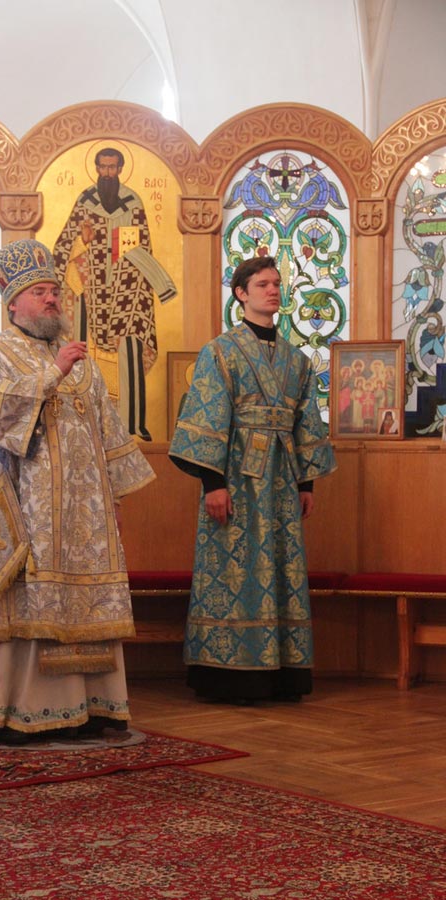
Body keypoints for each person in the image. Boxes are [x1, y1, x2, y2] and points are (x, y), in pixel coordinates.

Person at [0, 238, 155, 744]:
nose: (51, 299)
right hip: (25, 507)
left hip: (84, 516)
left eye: (54, 291)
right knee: (28, 600)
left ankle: (93, 709)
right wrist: (53, 372)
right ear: (13, 304)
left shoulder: (82, 362)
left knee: (87, 601)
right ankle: (20, 712)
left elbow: (107, 430)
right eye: (39, 292)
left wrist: (114, 499)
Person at [169, 256, 336, 704]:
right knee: (233, 569)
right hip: (236, 479)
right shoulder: (220, 351)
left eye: (277, 283)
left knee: (281, 568)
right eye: (262, 284)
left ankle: (282, 673)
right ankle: (227, 672)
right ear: (241, 293)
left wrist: (306, 484)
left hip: (281, 479)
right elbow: (207, 417)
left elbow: (306, 422)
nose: (273, 290)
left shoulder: (297, 360)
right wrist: (212, 484)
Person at [53, 147, 177, 441]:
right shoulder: (85, 201)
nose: (107, 173)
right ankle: (83, 420)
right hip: (89, 290)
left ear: (120, 169)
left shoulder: (132, 203)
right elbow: (63, 246)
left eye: (112, 167)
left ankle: (131, 423)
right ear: (96, 168)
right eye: (103, 167)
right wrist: (82, 243)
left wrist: (158, 284)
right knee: (83, 350)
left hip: (126, 289)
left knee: (129, 350)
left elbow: (138, 246)